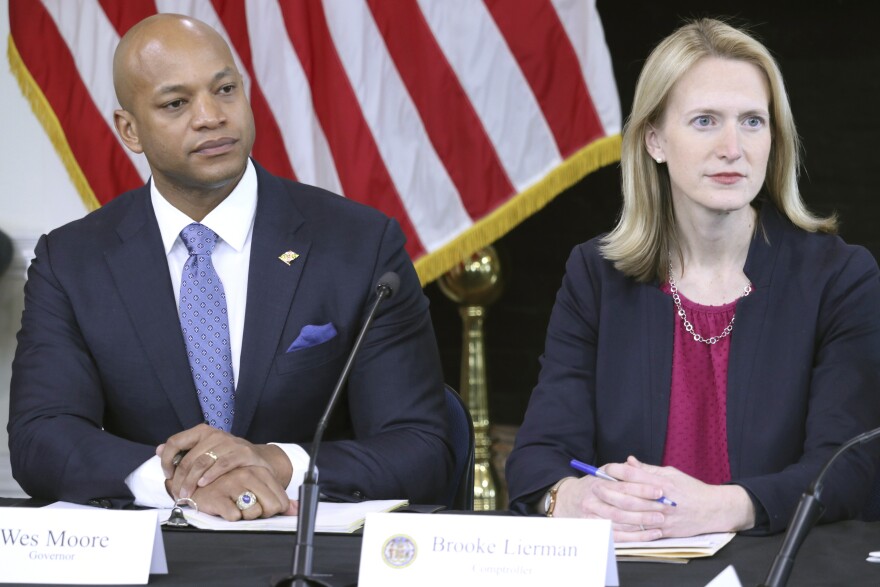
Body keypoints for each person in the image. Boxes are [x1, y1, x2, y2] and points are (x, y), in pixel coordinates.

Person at [8, 13, 452, 521]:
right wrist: (176, 478)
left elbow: (420, 448)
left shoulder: (360, 246)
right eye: (177, 103)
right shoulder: (72, 262)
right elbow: (41, 436)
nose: (210, 116)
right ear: (129, 130)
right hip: (155, 559)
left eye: (224, 90)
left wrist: (278, 463)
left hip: (311, 555)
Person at [505, 18, 880, 541]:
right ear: (655, 140)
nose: (733, 147)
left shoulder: (839, 278)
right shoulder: (596, 275)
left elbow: (849, 471)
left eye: (752, 121)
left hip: (774, 567)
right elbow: (538, 458)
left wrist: (727, 506)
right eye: (705, 121)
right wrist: (574, 498)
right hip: (634, 567)